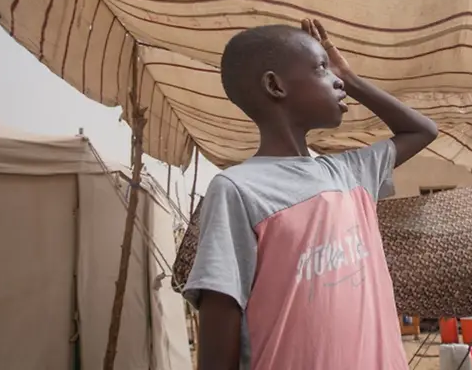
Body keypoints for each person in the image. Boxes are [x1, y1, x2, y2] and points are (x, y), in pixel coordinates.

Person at [183, 19, 438, 370]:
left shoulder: (350, 173)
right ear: (275, 85)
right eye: (322, 69)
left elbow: (422, 130)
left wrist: (352, 78)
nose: (337, 81)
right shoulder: (239, 189)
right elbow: (220, 313)